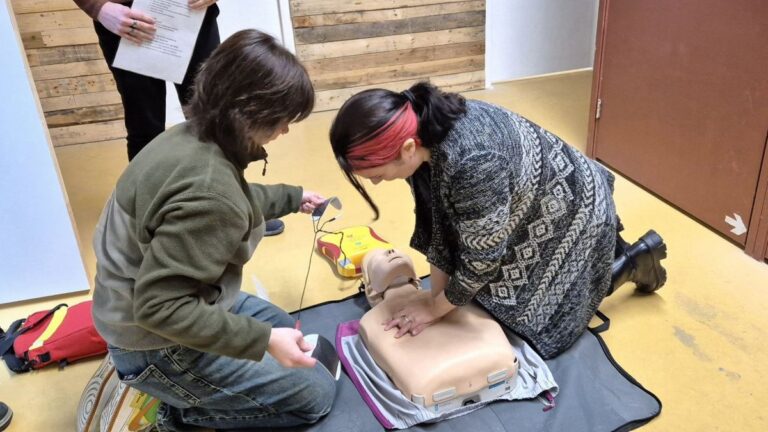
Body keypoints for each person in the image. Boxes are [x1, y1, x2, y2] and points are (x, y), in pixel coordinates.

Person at [91, 30, 335, 431]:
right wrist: (262, 341)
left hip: (147, 303)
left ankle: (193, 382)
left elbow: (231, 197)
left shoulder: (189, 137)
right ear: (248, 112)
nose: (285, 131)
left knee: (285, 328)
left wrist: (292, 197)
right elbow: (159, 308)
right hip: (154, 342)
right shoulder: (209, 192)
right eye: (281, 120)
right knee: (315, 395)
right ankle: (176, 414)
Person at [329, 82, 668, 359]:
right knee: (472, 291)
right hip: (535, 191)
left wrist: (434, 309)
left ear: (406, 149)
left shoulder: (472, 161)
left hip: (574, 205)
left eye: (377, 174)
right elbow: (440, 222)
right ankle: (613, 250)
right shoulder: (422, 131)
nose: (377, 183)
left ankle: (632, 260)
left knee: (548, 313)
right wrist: (438, 298)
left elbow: (481, 261)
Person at [73, 0, 286, 235]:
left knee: (215, 120)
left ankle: (231, 207)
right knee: (145, 128)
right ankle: (148, 216)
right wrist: (98, 7)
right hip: (127, 21)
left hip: (191, 14)